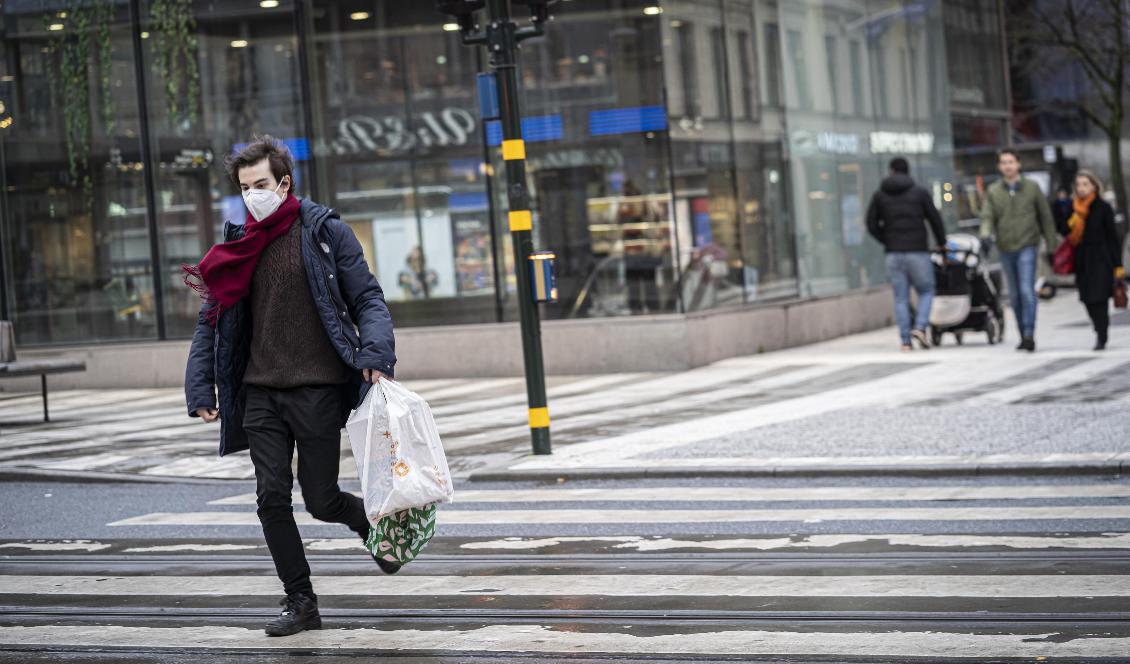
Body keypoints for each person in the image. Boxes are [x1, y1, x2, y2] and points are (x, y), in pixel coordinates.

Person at [183, 136, 397, 637]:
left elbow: (367, 297)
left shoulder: (325, 232)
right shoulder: (239, 245)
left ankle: (369, 526)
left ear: (284, 183)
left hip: (317, 388)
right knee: (271, 498)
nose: (252, 195)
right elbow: (211, 321)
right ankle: (301, 601)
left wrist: (376, 353)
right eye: (244, 187)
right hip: (259, 391)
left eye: (260, 184)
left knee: (321, 499)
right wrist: (201, 387)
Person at [978, 149, 1057, 352]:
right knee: (1013, 295)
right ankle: (1023, 334)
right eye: (1004, 162)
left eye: (1011, 161)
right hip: (1005, 247)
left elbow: (1045, 217)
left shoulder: (1032, 187)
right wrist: (985, 235)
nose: (1008, 166)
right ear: (999, 166)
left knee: (1026, 290)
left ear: (1018, 164)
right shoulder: (994, 191)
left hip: (1027, 245)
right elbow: (987, 216)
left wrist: (1051, 246)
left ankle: (1029, 333)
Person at [866, 157, 947, 351]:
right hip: (917, 250)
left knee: (901, 297)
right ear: (908, 171)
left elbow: (870, 224)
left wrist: (886, 240)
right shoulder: (919, 192)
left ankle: (905, 341)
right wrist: (942, 243)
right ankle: (920, 327)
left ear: (891, 171)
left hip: (894, 253)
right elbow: (935, 219)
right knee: (926, 291)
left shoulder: (880, 195)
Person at [1055, 170, 1125, 350]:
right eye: (1078, 185)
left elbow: (1112, 237)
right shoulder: (1072, 208)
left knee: (1099, 297)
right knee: (1087, 298)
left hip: (1101, 257)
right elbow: (1063, 230)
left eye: (1085, 184)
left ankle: (1102, 333)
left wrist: (1118, 265)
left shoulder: (1103, 207)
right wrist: (1070, 222)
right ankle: (1098, 326)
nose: (1082, 188)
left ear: (1094, 186)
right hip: (1082, 259)